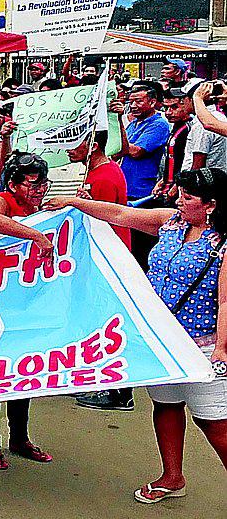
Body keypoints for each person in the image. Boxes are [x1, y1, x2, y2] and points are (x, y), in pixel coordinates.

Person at [46, 168, 227, 501]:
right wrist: (73, 202)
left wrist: (222, 348)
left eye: (188, 197)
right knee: (166, 407)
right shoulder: (169, 222)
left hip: (203, 345)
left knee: (214, 422)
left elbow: (226, 299)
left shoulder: (224, 243)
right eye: (180, 193)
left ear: (211, 205)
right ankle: (172, 477)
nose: (179, 200)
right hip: (162, 339)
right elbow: (119, 214)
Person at [0, 154, 56, 469]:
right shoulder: (2, 201)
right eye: (33, 184)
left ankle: (20, 438)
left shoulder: (41, 207)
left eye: (43, 183)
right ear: (13, 184)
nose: (40, 190)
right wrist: (35, 234)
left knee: (23, 371)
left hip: (28, 303)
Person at [114, 80, 170, 203]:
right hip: (125, 185)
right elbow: (117, 151)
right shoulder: (134, 123)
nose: (133, 106)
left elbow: (136, 152)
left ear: (152, 102)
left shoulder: (159, 124)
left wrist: (119, 120)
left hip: (142, 189)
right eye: (130, 102)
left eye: (138, 101)